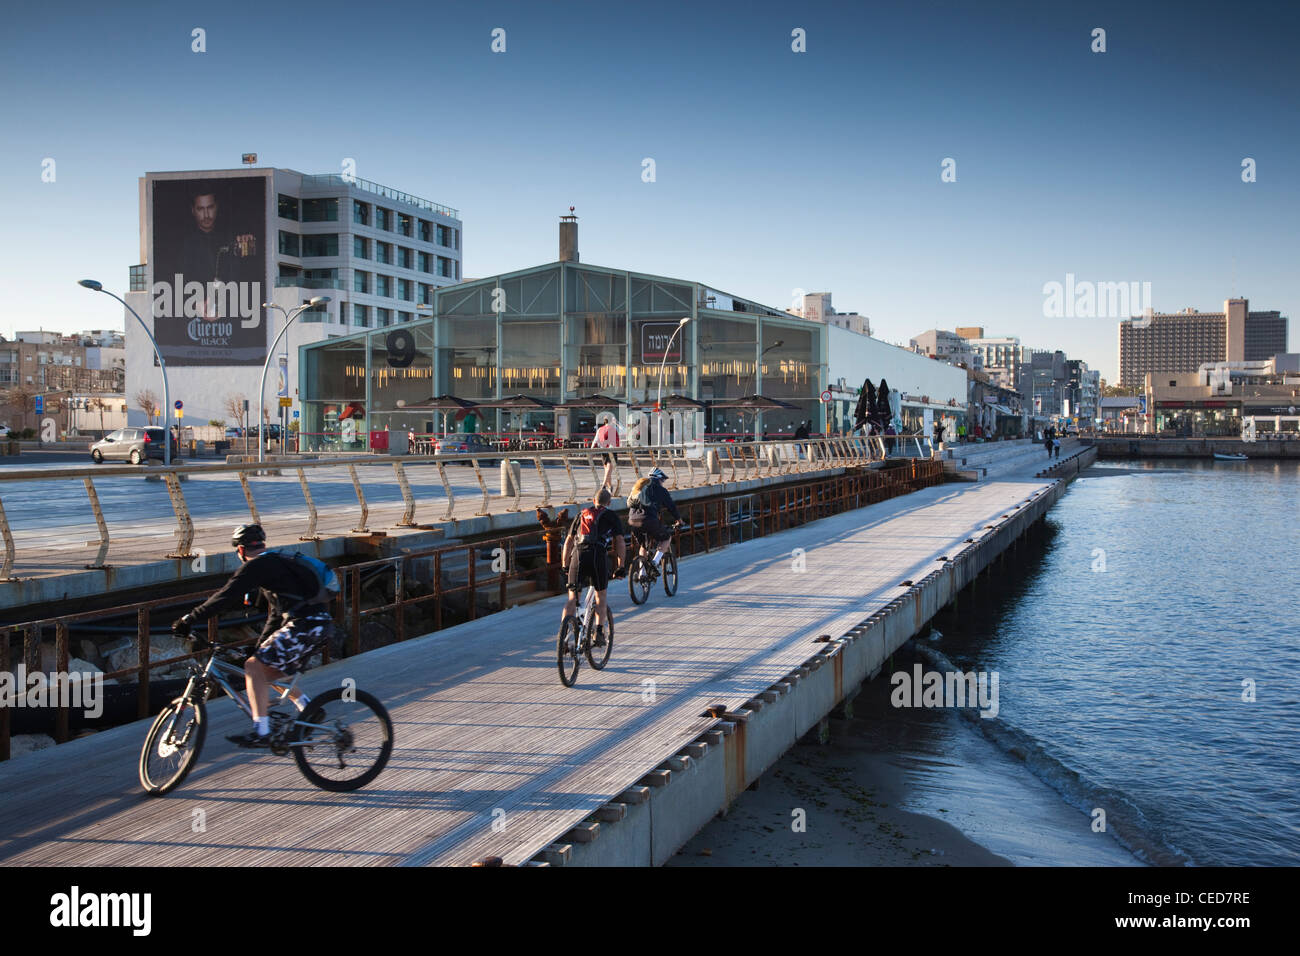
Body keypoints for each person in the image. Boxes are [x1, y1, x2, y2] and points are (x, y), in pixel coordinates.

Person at [171, 524, 336, 748]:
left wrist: (189, 619)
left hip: (305, 625)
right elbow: (276, 616)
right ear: (262, 544)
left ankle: (262, 731)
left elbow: (225, 596)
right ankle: (308, 709)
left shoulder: (256, 566)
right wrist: (259, 646)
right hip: (318, 624)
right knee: (265, 670)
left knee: (252, 668)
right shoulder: (276, 563)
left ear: (240, 550)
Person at [560, 488, 626, 647]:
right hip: (598, 556)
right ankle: (599, 632)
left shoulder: (581, 515)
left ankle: (562, 637)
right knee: (600, 596)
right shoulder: (611, 516)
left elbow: (568, 542)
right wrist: (620, 566)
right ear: (609, 503)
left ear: (593, 500)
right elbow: (620, 542)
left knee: (572, 597)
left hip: (578, 556)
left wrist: (565, 565)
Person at [626, 467, 682, 574]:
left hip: (632, 521)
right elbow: (671, 507)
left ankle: (641, 575)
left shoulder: (639, 487)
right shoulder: (660, 490)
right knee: (666, 538)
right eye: (663, 480)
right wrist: (679, 520)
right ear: (659, 479)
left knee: (643, 546)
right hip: (649, 520)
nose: (663, 483)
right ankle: (655, 562)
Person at [592, 413, 621, 492]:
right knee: (608, 470)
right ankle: (603, 486)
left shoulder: (600, 429)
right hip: (611, 451)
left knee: (607, 471)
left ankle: (610, 487)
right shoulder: (612, 428)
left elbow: (595, 440)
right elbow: (617, 441)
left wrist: (591, 451)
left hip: (602, 451)